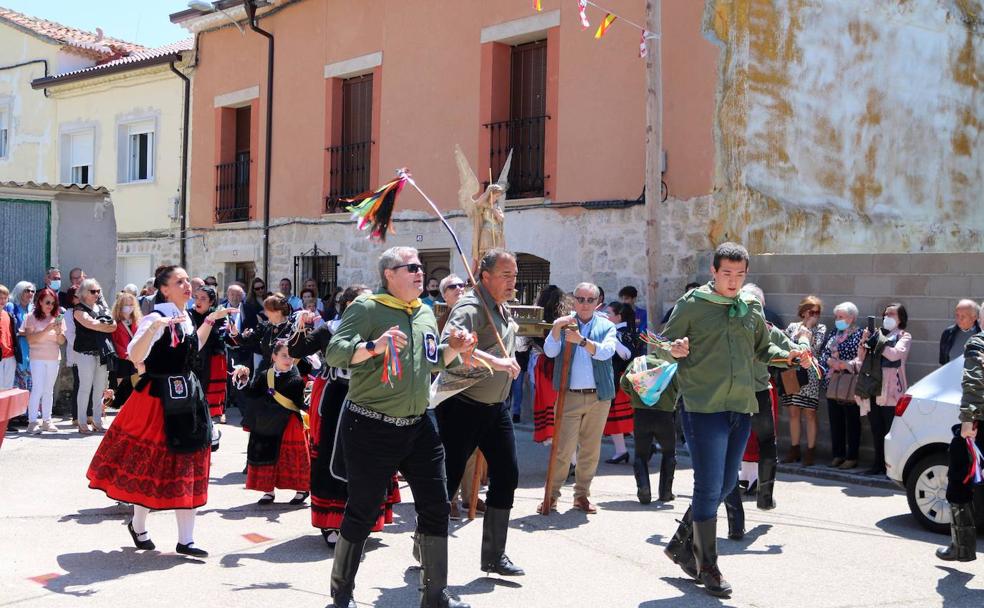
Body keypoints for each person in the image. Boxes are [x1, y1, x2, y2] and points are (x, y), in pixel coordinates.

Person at [324, 246, 479, 608]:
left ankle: (435, 595)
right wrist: (373, 346)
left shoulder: (424, 311)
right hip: (370, 426)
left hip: (419, 425)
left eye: (420, 266)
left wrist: (454, 348)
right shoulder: (367, 307)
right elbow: (335, 351)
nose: (419, 272)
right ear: (389, 274)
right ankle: (341, 595)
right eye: (410, 267)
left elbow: (432, 361)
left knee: (436, 507)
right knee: (362, 511)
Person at [657, 243, 810, 597]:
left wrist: (790, 356)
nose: (733, 281)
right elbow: (661, 344)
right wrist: (673, 348)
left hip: (741, 407)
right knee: (709, 485)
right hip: (703, 406)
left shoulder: (751, 306)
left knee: (727, 484)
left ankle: (682, 544)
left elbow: (763, 349)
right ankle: (707, 565)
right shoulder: (692, 304)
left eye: (740, 275)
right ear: (713, 272)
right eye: (726, 273)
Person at [86, 265, 234, 557]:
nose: (187, 285)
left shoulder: (187, 318)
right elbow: (134, 355)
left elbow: (193, 347)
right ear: (164, 289)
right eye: (179, 282)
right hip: (157, 399)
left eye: (187, 280)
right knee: (151, 462)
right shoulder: (155, 318)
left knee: (189, 461)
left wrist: (210, 320)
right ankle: (139, 525)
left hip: (187, 395)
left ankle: (186, 539)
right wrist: (154, 328)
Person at [290, 284, 400, 546]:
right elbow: (296, 351)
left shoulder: (380, 331)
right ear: (349, 305)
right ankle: (330, 522)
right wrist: (301, 325)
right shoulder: (330, 329)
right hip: (337, 398)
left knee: (369, 458)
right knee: (332, 456)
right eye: (366, 302)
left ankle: (363, 519)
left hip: (370, 396)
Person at [437, 249, 525, 576]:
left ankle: (494, 556)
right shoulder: (470, 307)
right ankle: (425, 543)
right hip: (462, 405)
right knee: (447, 480)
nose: (512, 282)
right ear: (485, 277)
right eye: (505, 275)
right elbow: (452, 347)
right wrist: (496, 361)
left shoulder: (501, 307)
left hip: (496, 408)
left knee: (507, 475)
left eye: (514, 275)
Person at [539, 282, 619, 515]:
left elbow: (606, 352)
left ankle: (581, 495)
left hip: (598, 397)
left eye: (590, 300)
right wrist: (556, 328)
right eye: (580, 299)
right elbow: (550, 352)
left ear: (598, 303)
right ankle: (551, 496)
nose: (585, 304)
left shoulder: (606, 325)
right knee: (562, 450)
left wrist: (582, 341)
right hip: (569, 396)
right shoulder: (564, 323)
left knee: (590, 450)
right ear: (573, 301)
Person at [935, 300, 983, 563]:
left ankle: (962, 547)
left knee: (959, 478)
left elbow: (974, 382)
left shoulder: (978, 342)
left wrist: (968, 420)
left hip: (979, 424)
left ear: (980, 320)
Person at [236, 340, 310, 505]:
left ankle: (302, 489)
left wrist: (310, 401)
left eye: (291, 356)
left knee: (291, 458)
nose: (288, 359)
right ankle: (268, 491)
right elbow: (252, 394)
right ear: (274, 356)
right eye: (284, 355)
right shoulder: (265, 375)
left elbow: (299, 404)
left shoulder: (296, 380)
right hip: (266, 423)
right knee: (265, 454)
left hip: (288, 423)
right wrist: (244, 380)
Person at [855, 303, 911, 476]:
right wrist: (865, 341)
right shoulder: (877, 335)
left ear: (900, 318)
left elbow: (895, 354)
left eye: (892, 314)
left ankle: (891, 468)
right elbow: (861, 359)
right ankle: (877, 464)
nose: (887, 317)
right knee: (876, 428)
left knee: (891, 431)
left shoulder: (904, 336)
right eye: (886, 314)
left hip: (892, 391)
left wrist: (877, 342)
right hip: (874, 387)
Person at [619, 351, 679, 503]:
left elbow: (624, 383)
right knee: (669, 453)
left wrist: (637, 397)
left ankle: (644, 491)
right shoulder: (671, 366)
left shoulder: (637, 363)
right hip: (665, 415)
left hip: (641, 414)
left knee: (640, 454)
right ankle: (665, 493)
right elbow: (680, 388)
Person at [780, 296, 828, 466]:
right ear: (803, 311)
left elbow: (814, 348)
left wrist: (807, 329)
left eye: (817, 312)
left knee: (810, 413)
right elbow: (786, 346)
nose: (815, 315)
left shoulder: (820, 328)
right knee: (793, 412)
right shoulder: (793, 327)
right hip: (792, 373)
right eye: (811, 312)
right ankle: (794, 449)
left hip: (810, 375)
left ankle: (810, 450)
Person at [820, 302, 865, 469]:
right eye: (836, 316)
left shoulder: (860, 334)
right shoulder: (834, 332)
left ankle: (852, 457)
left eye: (841, 317)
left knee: (852, 421)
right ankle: (837, 455)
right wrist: (829, 361)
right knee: (835, 420)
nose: (837, 319)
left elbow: (861, 358)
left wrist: (844, 364)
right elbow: (824, 352)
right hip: (833, 382)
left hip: (849, 382)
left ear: (851, 318)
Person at [20, 288, 66, 434]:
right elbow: (31, 340)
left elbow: (61, 341)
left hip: (54, 358)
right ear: (40, 302)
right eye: (47, 302)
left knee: (48, 390)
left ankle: (47, 421)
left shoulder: (58, 317)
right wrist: (46, 329)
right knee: (37, 389)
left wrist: (58, 332)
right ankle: (32, 422)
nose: (50, 306)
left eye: (53, 303)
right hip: (37, 358)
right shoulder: (31, 317)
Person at [73, 279, 116, 434]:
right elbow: (89, 324)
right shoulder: (78, 309)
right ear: (84, 293)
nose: (97, 294)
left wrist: (100, 324)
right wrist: (104, 325)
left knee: (99, 389)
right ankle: (82, 422)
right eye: (93, 291)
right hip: (85, 353)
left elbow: (114, 326)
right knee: (85, 387)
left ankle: (97, 421)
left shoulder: (102, 308)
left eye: (98, 291)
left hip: (102, 353)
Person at [603, 302, 641, 463]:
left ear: (618, 317)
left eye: (609, 314)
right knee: (614, 417)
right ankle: (621, 451)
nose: (606, 316)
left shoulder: (624, 333)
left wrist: (611, 336)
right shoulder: (619, 331)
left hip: (622, 381)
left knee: (626, 418)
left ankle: (645, 446)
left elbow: (627, 355)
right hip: (615, 380)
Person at [189, 286, 233, 420]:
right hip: (193, 360)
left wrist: (232, 331)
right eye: (196, 297)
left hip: (212, 360)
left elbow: (225, 338)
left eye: (203, 298)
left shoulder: (219, 316)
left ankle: (210, 422)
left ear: (211, 302)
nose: (198, 301)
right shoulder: (189, 315)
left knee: (209, 396)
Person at [531, 285, 566, 444]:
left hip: (545, 366)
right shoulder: (565, 319)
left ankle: (556, 444)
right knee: (561, 406)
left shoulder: (536, 319)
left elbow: (522, 345)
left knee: (550, 404)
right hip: (561, 365)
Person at [109, 291, 141, 408]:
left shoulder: (138, 322)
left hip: (136, 357)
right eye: (126, 305)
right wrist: (125, 354)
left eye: (131, 305)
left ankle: (131, 406)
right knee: (121, 383)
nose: (129, 307)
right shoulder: (115, 323)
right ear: (120, 306)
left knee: (135, 383)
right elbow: (114, 342)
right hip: (122, 359)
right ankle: (119, 406)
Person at [6, 282, 35, 394]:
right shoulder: (11, 307)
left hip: (32, 350)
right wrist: (21, 333)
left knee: (32, 385)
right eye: (27, 290)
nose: (30, 293)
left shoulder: (33, 309)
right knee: (16, 386)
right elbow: (9, 329)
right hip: (17, 350)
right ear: (19, 291)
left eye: (32, 291)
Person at [940, 300, 981, 365]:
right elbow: (943, 361)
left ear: (974, 317)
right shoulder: (948, 333)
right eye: (957, 315)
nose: (959, 319)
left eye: (963, 316)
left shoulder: (981, 334)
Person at [0, 285, 19, 390]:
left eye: (5, 298)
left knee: (8, 389)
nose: (2, 300)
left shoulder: (9, 315)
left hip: (10, 356)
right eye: (0, 298)